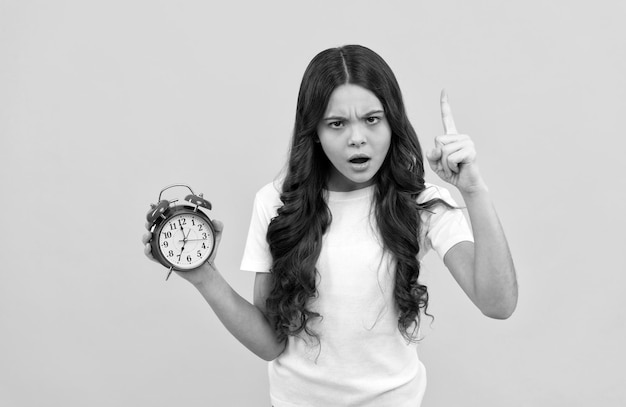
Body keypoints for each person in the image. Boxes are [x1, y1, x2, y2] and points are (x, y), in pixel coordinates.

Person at [143, 44, 518, 407]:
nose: (357, 138)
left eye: (372, 119)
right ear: (316, 133)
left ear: (392, 122)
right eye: (337, 123)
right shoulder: (275, 203)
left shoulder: (420, 201)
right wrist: (204, 276)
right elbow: (271, 342)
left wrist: (473, 190)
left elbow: (498, 304)